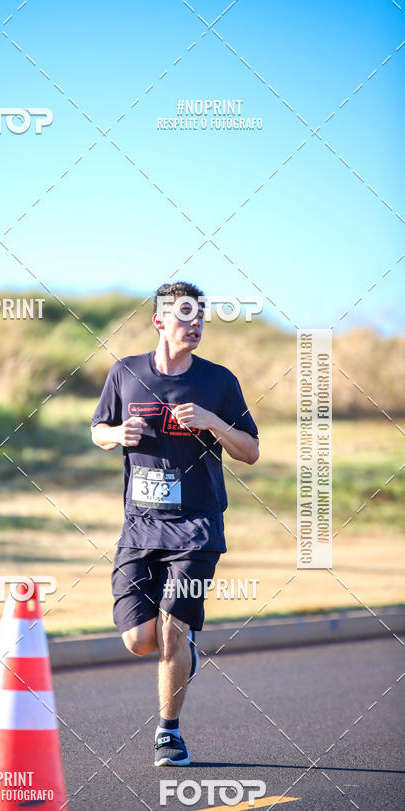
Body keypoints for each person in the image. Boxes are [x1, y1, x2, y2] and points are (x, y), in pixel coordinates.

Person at [91, 282, 259, 766]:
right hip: (140, 527)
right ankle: (183, 653)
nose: (196, 323)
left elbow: (250, 451)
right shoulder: (125, 372)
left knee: (171, 629)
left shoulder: (218, 382)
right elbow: (97, 429)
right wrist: (115, 434)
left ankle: (169, 734)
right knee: (140, 641)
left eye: (201, 316)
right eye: (185, 314)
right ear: (159, 321)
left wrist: (213, 422)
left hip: (196, 528)